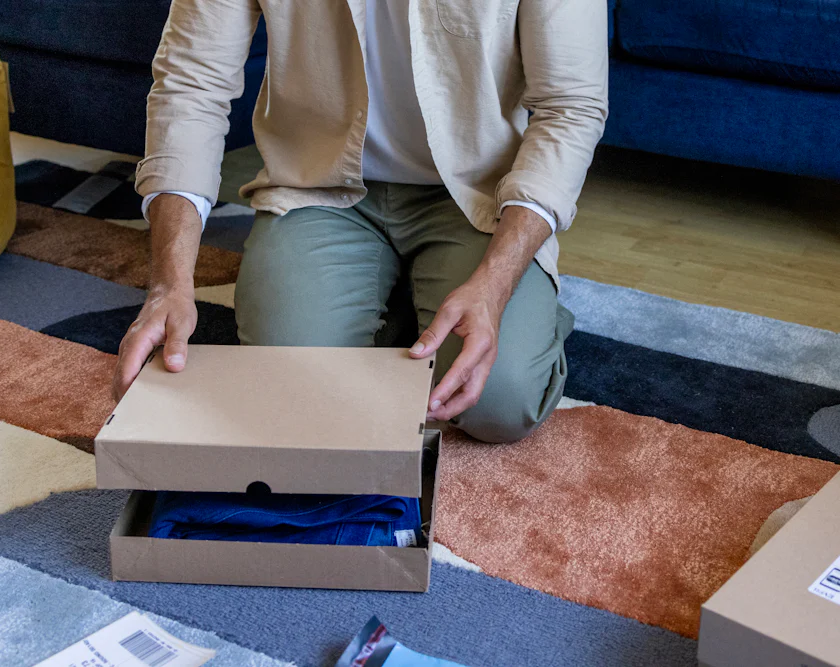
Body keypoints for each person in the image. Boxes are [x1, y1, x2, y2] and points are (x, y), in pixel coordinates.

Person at [112, 0, 608, 443]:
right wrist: (169, 284)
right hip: (319, 187)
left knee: (498, 402)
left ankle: (532, 312)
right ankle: (396, 298)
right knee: (294, 394)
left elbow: (572, 107)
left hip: (479, 196)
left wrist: (499, 285)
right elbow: (190, 85)